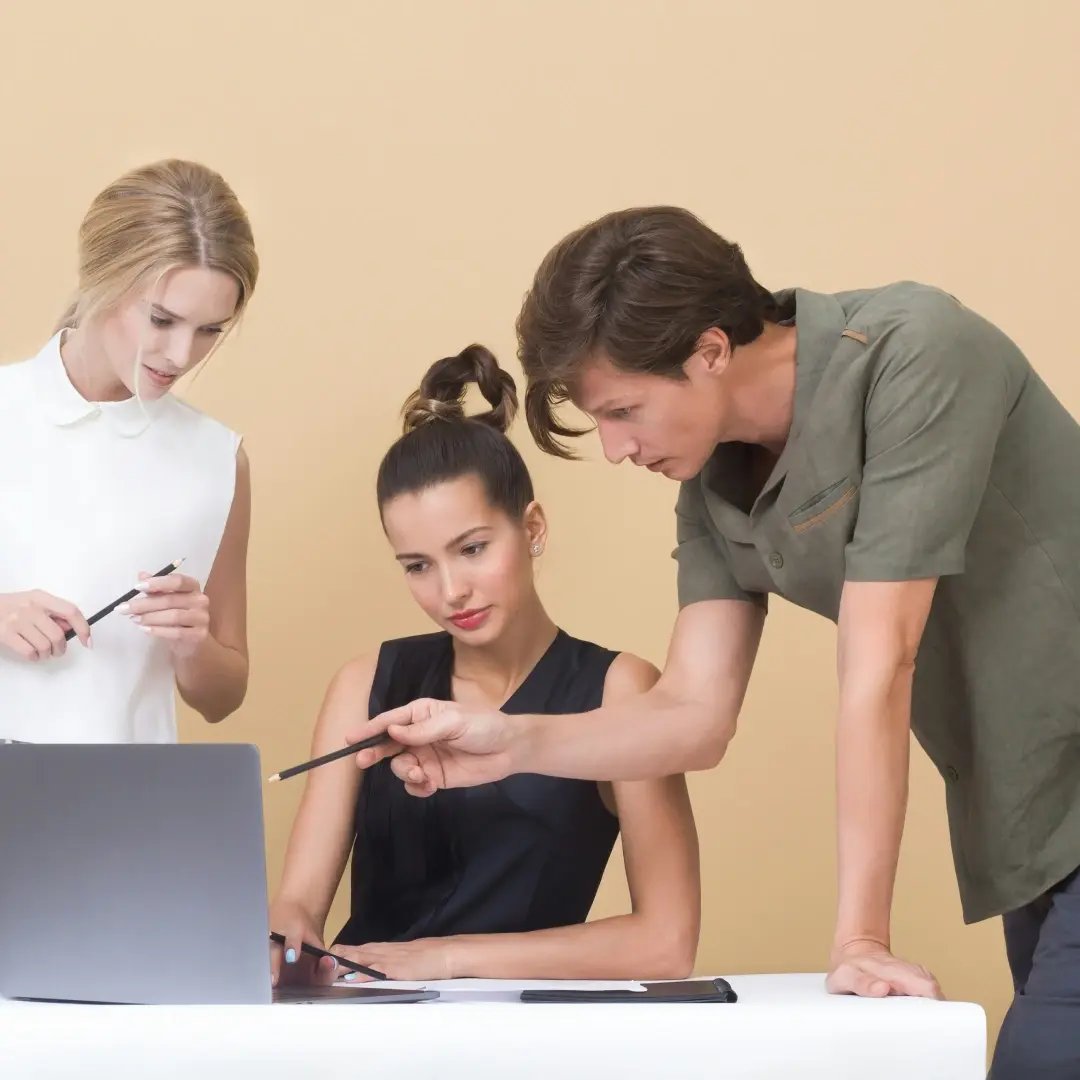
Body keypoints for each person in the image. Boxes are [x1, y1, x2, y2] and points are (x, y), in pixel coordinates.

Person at [356, 208, 1080, 1078]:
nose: (618, 450)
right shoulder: (712, 482)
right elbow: (693, 716)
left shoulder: (914, 352)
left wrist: (859, 937)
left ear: (708, 351)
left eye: (624, 412)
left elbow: (880, 660)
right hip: (1033, 824)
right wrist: (509, 743)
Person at [269, 345, 699, 986]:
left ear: (532, 528)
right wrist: (285, 939)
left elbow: (665, 943)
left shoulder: (620, 691)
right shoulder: (365, 686)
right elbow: (298, 905)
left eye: (471, 549)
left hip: (518, 1033)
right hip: (363, 1022)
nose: (450, 592)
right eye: (417, 565)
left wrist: (445, 960)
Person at [0, 159, 258, 742]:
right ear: (101, 278)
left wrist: (193, 644)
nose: (180, 354)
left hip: (122, 814)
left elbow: (223, 697)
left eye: (210, 330)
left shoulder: (216, 460)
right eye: (162, 319)